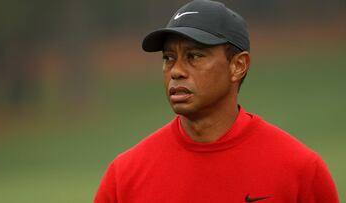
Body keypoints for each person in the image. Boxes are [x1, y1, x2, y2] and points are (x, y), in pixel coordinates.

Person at [94, 1, 339, 202]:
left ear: (238, 66)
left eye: (194, 56)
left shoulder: (301, 170)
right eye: (169, 58)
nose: (176, 71)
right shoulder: (124, 176)